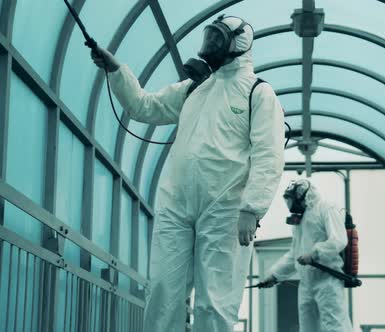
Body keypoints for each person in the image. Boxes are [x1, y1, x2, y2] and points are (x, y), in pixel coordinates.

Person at [91, 15, 285, 332]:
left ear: (239, 45)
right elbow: (144, 106)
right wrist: (116, 70)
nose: (210, 45)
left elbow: (269, 152)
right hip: (175, 203)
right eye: (210, 37)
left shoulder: (258, 94)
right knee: (163, 293)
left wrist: (252, 208)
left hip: (225, 208)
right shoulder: (193, 88)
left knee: (215, 301)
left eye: (218, 39)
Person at [260, 179, 353, 332]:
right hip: (306, 285)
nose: (290, 205)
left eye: (291, 199)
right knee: (308, 328)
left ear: (302, 195)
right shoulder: (300, 221)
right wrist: (274, 275)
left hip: (327, 281)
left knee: (335, 326)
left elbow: (339, 240)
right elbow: (294, 255)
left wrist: (315, 253)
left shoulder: (326, 208)